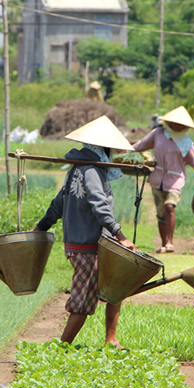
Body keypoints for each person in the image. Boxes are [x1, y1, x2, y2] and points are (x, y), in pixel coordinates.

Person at [33, 115, 134, 346]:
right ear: (103, 149)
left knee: (115, 287)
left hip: (85, 243)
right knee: (82, 301)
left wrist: (40, 227)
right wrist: (120, 235)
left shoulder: (76, 169)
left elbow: (58, 203)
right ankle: (61, 347)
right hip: (88, 245)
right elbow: (100, 205)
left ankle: (111, 340)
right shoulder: (91, 171)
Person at [131, 106, 194, 254]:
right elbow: (141, 145)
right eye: (175, 123)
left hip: (175, 180)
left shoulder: (185, 142)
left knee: (170, 207)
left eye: (181, 124)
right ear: (169, 122)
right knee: (161, 213)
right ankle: (163, 243)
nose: (177, 126)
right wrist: (125, 151)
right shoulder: (158, 134)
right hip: (157, 179)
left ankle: (170, 241)